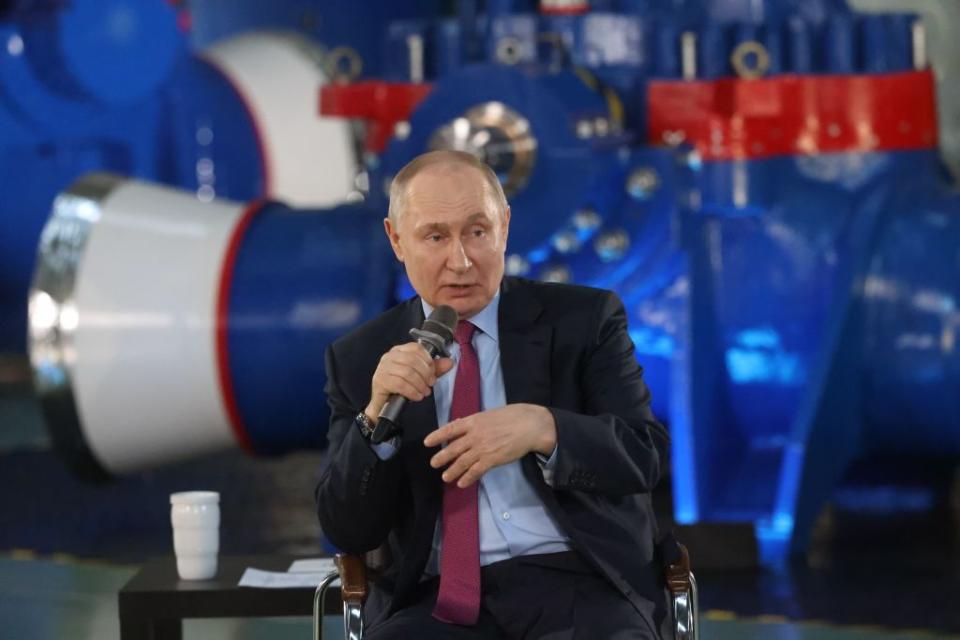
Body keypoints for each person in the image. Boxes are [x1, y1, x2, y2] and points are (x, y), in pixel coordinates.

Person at [316, 150, 670, 639]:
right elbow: (347, 529)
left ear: (504, 226)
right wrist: (376, 416)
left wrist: (543, 428)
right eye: (435, 236)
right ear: (396, 240)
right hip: (434, 601)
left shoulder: (584, 320)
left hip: (579, 586)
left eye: (477, 232)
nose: (460, 260)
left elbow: (644, 455)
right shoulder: (361, 358)